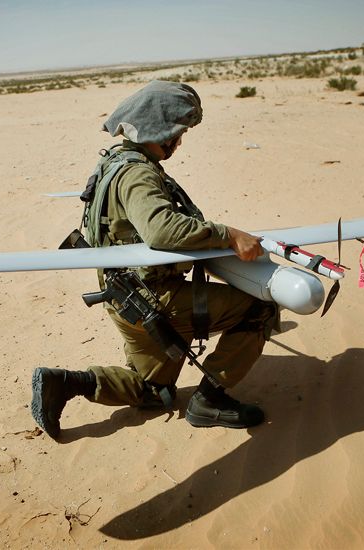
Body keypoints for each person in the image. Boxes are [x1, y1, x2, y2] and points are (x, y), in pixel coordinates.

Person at [31, 80, 278, 439]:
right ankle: (210, 401)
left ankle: (65, 383)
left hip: (126, 299)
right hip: (157, 298)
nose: (178, 141)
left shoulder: (116, 161)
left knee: (153, 392)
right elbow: (161, 230)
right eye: (177, 132)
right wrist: (228, 234)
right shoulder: (138, 173)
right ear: (158, 130)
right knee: (260, 309)